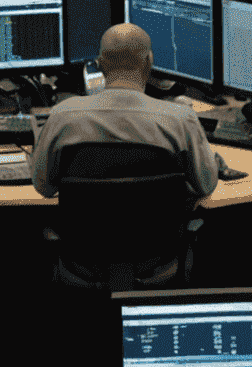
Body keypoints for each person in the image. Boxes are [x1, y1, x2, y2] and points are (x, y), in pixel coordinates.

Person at [32, 24, 219, 282]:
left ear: (99, 64)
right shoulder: (180, 119)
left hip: (82, 263)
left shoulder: (64, 116)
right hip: (159, 261)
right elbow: (206, 184)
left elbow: (44, 187)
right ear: (149, 61)